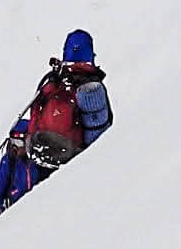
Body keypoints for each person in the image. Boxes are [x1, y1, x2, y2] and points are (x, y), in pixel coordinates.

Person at [20, 28, 112, 175]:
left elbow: (34, 115)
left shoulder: (52, 81)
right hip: (70, 164)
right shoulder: (90, 88)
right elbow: (100, 140)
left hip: (36, 155)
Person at [0, 116, 41, 221]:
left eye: (19, 143)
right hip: (14, 214)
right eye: (13, 142)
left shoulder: (36, 159)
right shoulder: (9, 161)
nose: (16, 147)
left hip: (35, 210)